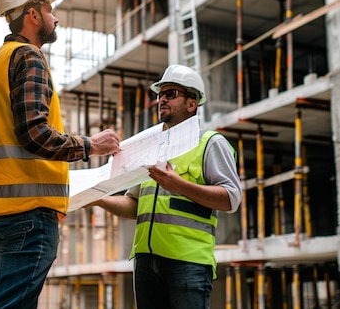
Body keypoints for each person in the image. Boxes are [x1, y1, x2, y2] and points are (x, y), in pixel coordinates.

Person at [0, 0, 120, 309]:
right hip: (27, 211)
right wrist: (90, 146)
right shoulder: (29, 57)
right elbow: (34, 133)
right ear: (33, 14)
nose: (55, 17)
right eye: (49, 8)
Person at [94, 63, 242, 309]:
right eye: (160, 94)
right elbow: (134, 205)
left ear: (192, 103)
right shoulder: (151, 147)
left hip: (188, 262)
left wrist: (179, 184)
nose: (162, 99)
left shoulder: (210, 143)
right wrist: (98, 199)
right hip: (145, 261)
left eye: (171, 94)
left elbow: (231, 199)